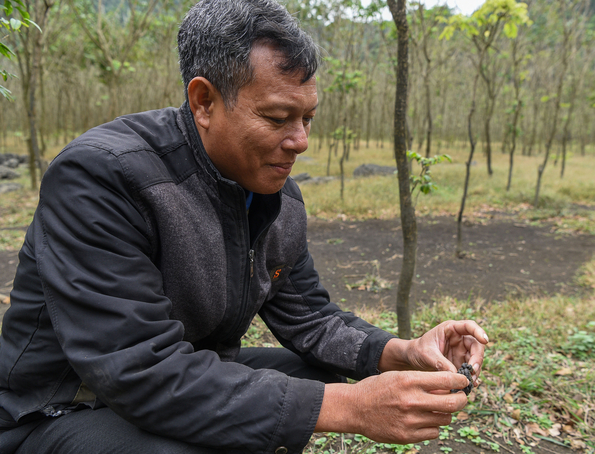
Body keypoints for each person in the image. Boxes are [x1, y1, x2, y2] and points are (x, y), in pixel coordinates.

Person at [0, 0, 488, 452]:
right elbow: (138, 371)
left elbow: (309, 316)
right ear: (204, 101)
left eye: (308, 119)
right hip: (62, 403)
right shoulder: (103, 176)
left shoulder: (275, 196)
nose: (299, 141)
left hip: (185, 373)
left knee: (313, 374)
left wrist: (402, 353)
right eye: (277, 118)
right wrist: (348, 409)